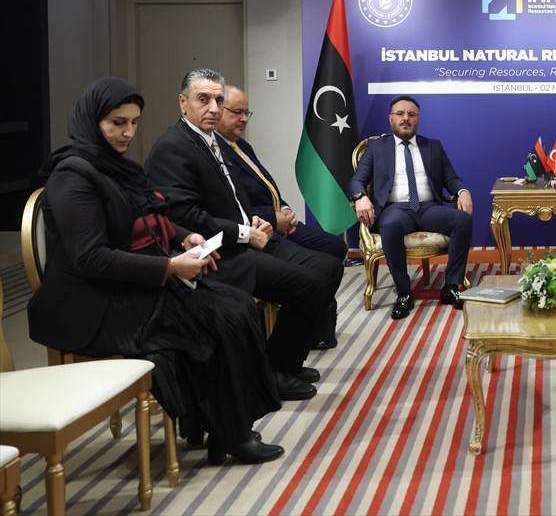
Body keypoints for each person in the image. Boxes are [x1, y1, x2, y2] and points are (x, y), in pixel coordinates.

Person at [27, 77, 285, 465]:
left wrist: (184, 237)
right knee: (220, 316)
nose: (128, 133)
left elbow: (150, 216)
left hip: (127, 287)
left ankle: (224, 428)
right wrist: (170, 265)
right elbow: (91, 258)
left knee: (234, 305)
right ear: (93, 121)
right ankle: (230, 432)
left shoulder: (116, 167)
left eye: (133, 122)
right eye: (117, 123)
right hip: (91, 305)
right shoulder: (72, 177)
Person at [146, 69, 344, 400]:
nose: (213, 108)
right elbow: (184, 218)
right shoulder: (173, 148)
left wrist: (256, 222)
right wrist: (244, 233)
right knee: (308, 285)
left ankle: (285, 360)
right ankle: (274, 372)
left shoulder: (215, 142)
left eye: (218, 100)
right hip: (218, 254)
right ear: (183, 103)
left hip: (247, 239)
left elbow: (237, 200)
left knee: (329, 267)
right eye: (204, 100)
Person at [349, 95, 473, 319]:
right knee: (391, 225)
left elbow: (451, 178)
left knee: (463, 220)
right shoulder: (376, 147)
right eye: (400, 113)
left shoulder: (432, 146)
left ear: (418, 119)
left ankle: (451, 286)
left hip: (428, 208)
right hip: (395, 209)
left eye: (411, 114)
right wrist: (361, 197)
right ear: (391, 119)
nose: (405, 118)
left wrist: (462, 191)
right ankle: (404, 292)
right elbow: (357, 181)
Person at [216, 86, 349, 261]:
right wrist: (274, 219)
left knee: (336, 246)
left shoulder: (241, 145)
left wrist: (284, 210)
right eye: (237, 112)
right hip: (259, 227)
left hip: (278, 218)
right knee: (318, 263)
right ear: (218, 110)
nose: (244, 119)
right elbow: (234, 204)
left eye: (247, 113)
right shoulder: (216, 151)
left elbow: (264, 185)